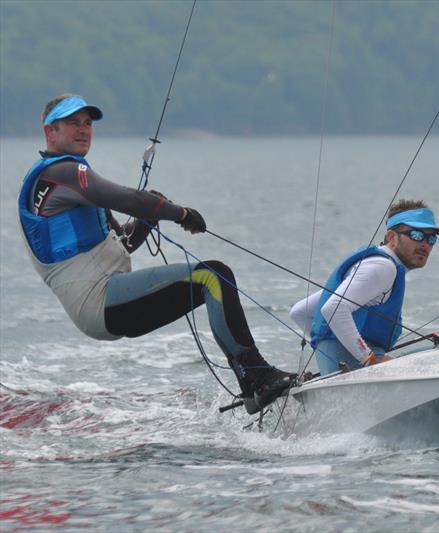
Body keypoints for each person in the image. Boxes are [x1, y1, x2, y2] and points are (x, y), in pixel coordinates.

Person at [18, 94, 294, 414]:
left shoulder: (65, 180)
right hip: (99, 301)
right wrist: (180, 213)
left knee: (212, 278)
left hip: (108, 299)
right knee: (212, 276)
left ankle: (256, 384)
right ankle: (256, 379)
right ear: (50, 132)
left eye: (88, 123)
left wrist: (146, 221)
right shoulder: (62, 174)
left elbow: (122, 243)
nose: (83, 130)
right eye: (72, 123)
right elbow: (128, 199)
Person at [290, 200, 439, 375]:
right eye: (417, 235)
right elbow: (333, 308)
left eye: (431, 239)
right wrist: (368, 357)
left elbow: (300, 311)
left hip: (344, 373)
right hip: (356, 376)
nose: (425, 244)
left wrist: (326, 354)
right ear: (392, 237)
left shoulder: (372, 263)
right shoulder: (383, 267)